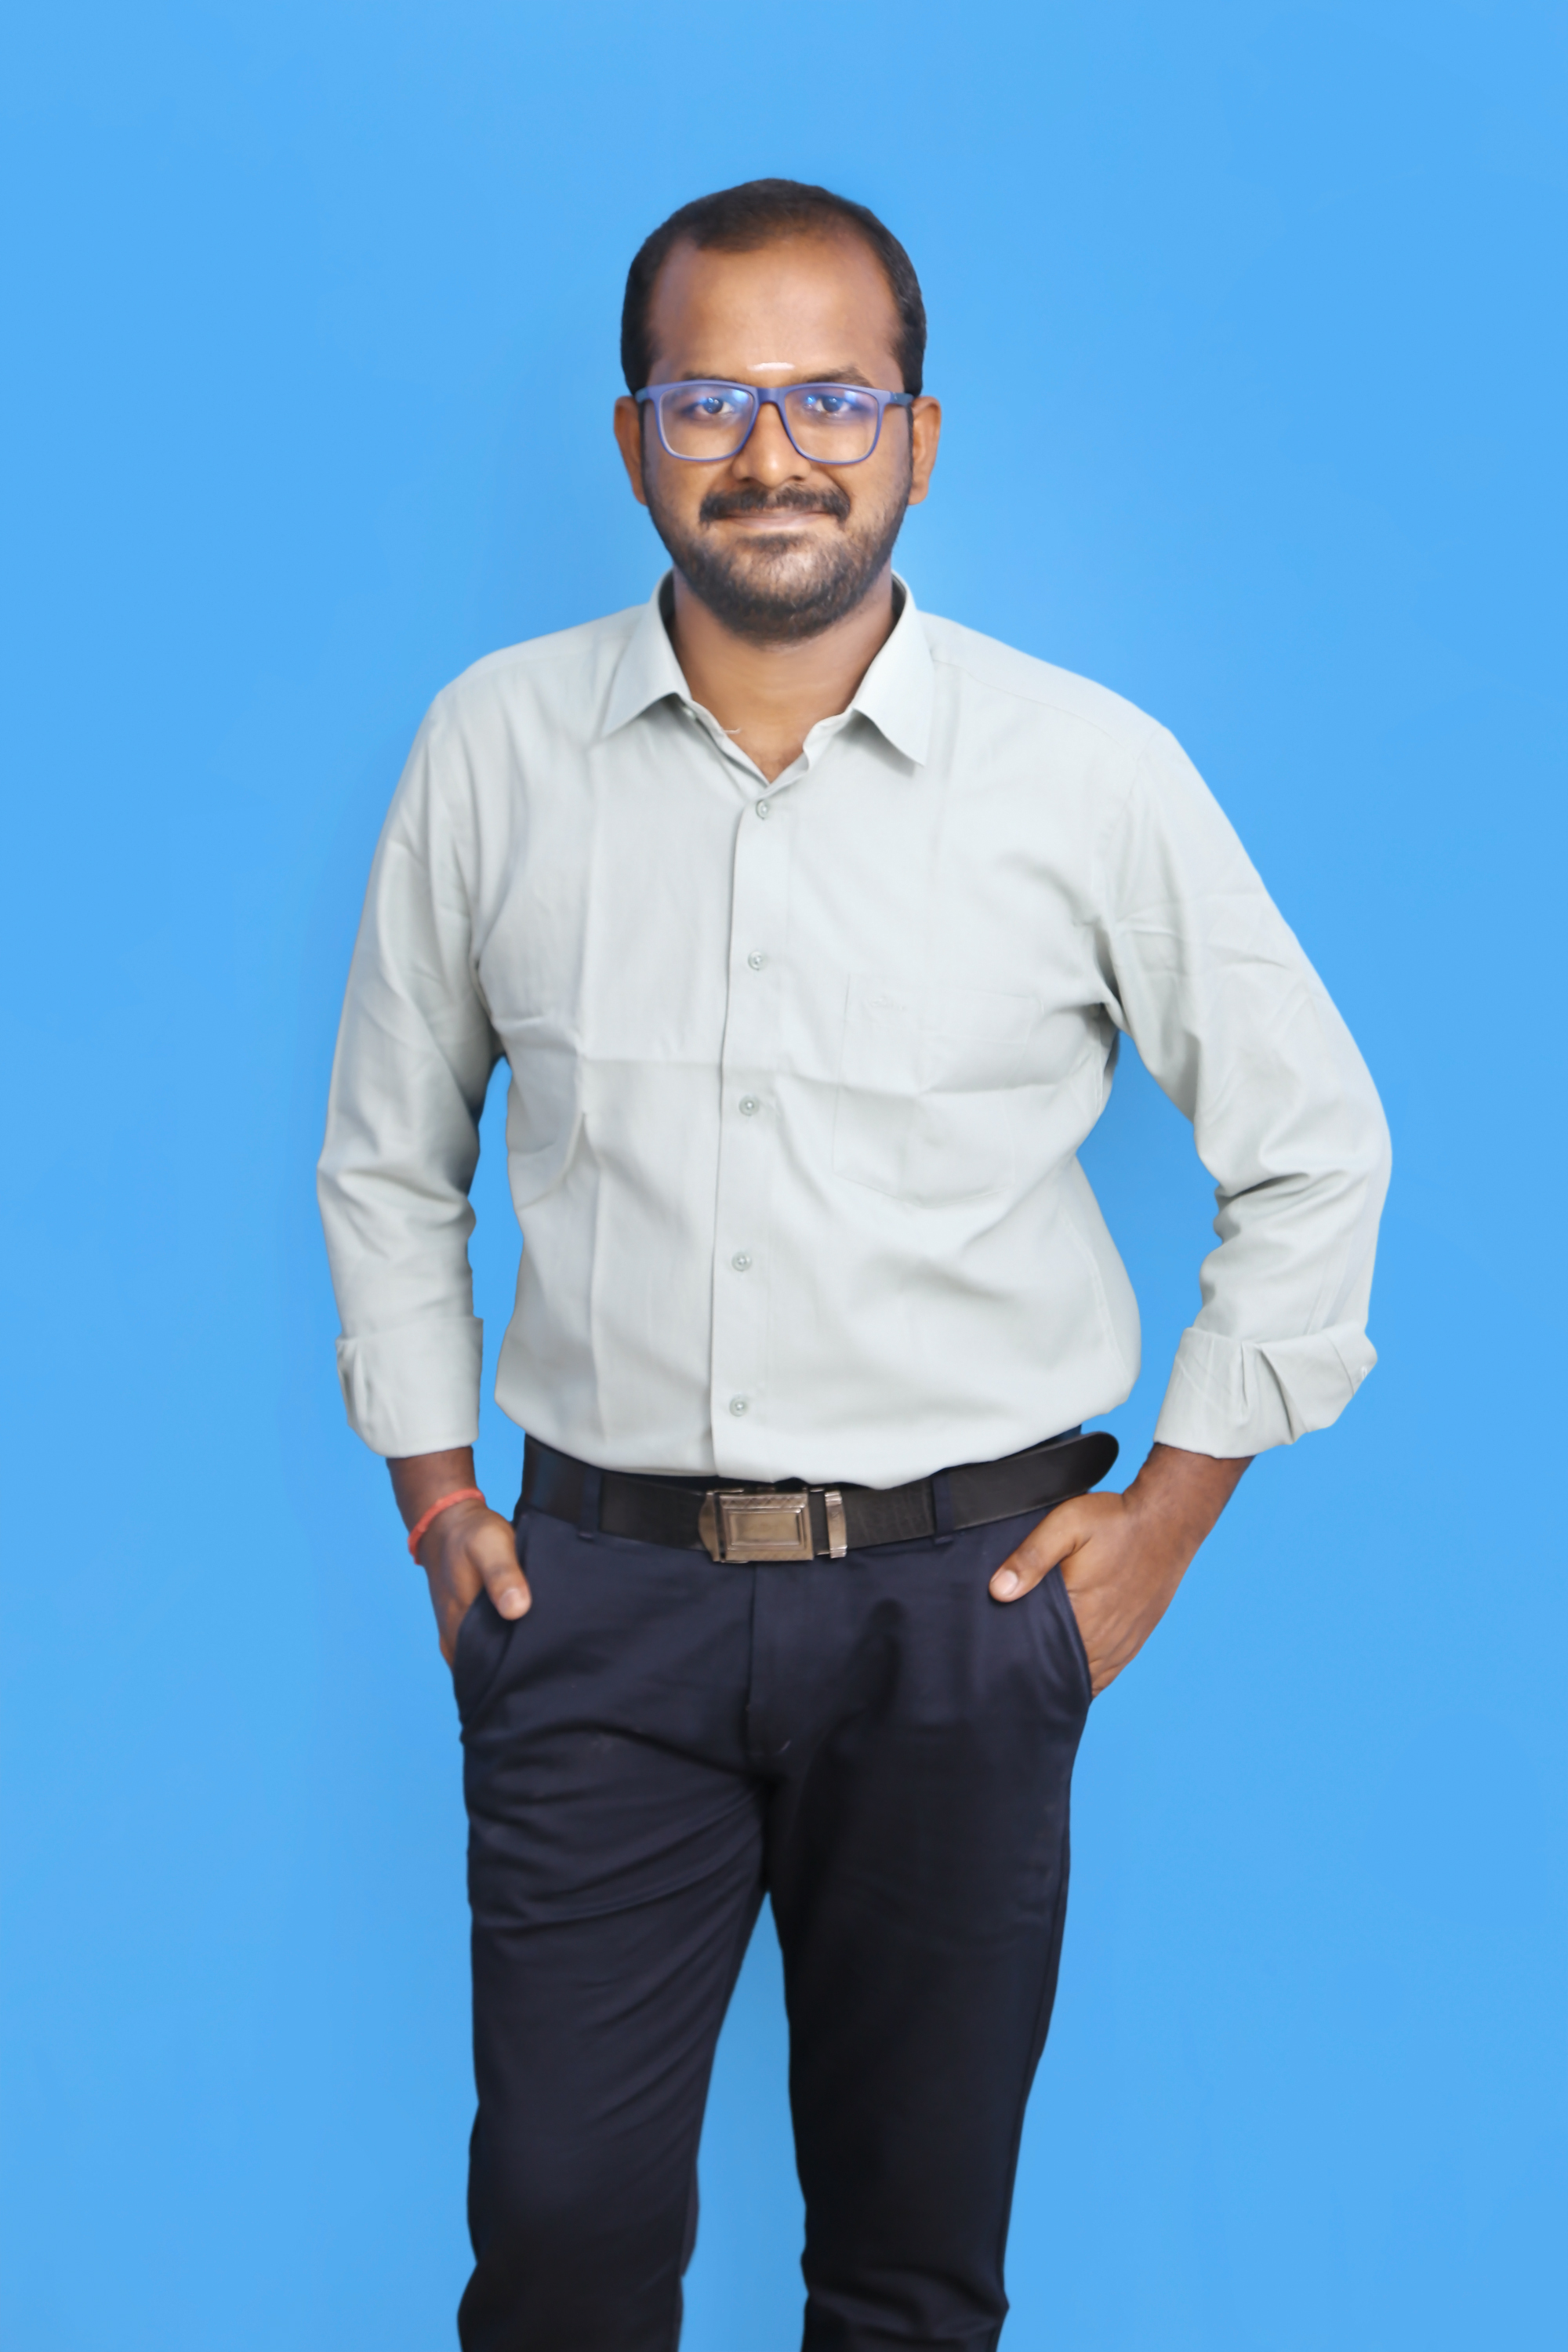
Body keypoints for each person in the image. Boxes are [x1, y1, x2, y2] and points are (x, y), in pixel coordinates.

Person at [318, 178, 1390, 2352]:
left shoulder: (1086, 772)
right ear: (634, 439)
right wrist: (435, 1494)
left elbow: (1316, 1154)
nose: (773, 451)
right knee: (559, 2243)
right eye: (710, 398)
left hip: (963, 1617)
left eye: (833, 397)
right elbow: (387, 1154)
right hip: (597, 1601)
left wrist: (1169, 1520)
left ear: (920, 436)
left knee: (910, 2273)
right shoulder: (494, 746)